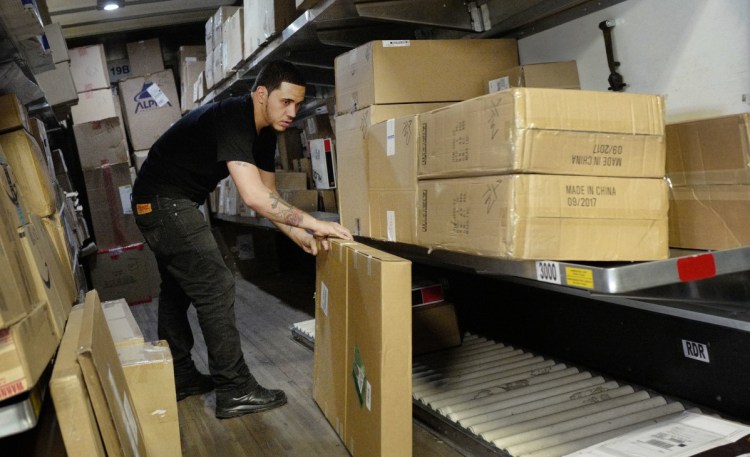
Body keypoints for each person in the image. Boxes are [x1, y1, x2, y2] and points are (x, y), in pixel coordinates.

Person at [130, 60, 353, 419]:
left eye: (297, 104)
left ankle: (179, 375)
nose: (292, 113)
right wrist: (314, 221)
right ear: (262, 94)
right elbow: (251, 197)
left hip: (168, 203)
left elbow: (269, 197)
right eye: (285, 102)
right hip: (162, 203)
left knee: (179, 287)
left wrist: (301, 235)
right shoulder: (234, 116)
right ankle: (235, 389)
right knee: (216, 283)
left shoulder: (265, 133)